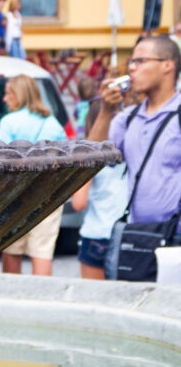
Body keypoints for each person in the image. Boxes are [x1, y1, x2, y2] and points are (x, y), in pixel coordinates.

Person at [88, 35, 181, 232]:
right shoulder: (127, 118)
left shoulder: (177, 114)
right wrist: (105, 111)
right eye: (131, 62)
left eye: (140, 61)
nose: (131, 68)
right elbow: (91, 159)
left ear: (167, 66)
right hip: (138, 233)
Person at [0, 74, 67, 276]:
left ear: (18, 95)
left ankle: (10, 300)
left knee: (11, 248)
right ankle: (43, 302)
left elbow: (5, 161)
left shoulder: (8, 122)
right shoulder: (53, 123)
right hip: (49, 194)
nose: (4, 98)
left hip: (16, 195)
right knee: (42, 252)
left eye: (8, 93)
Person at [70, 99, 128, 279]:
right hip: (128, 234)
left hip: (97, 235)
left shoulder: (92, 161)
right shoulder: (133, 153)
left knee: (93, 299)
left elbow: (78, 203)